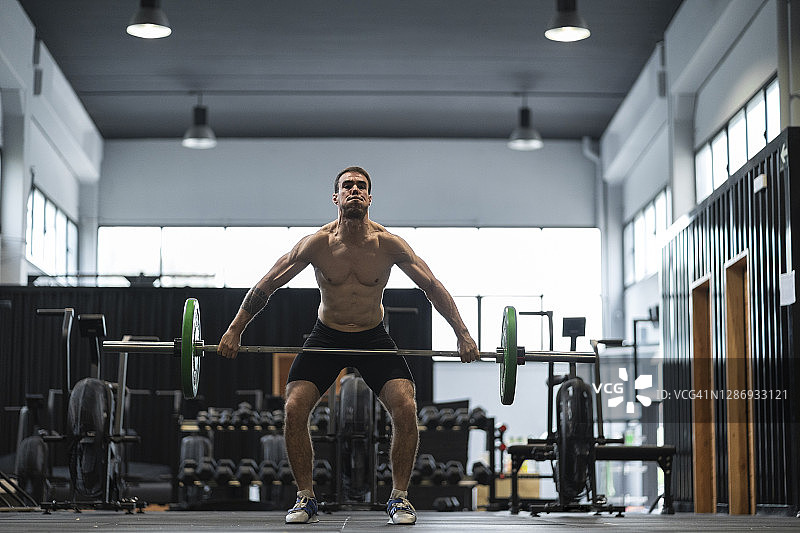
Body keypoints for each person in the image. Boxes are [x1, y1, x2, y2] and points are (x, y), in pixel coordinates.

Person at [217, 166, 479, 525]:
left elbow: (431, 286)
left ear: (370, 198)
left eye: (361, 186)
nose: (354, 190)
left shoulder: (388, 244)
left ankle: (400, 499)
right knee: (294, 408)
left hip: (373, 335)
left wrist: (463, 334)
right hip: (328, 334)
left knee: (405, 408)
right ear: (336, 197)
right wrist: (235, 330)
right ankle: (305, 498)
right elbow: (268, 283)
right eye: (347, 185)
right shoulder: (317, 244)